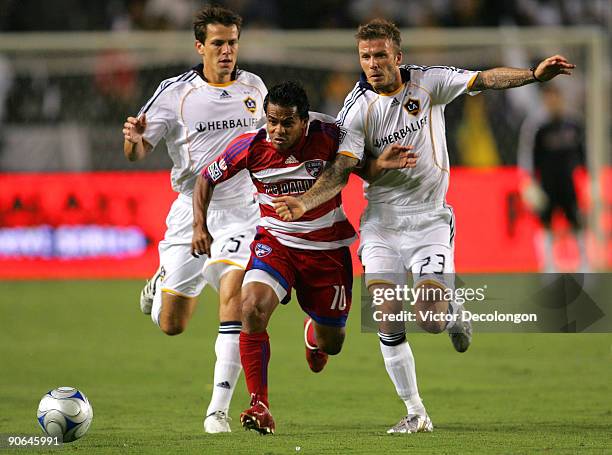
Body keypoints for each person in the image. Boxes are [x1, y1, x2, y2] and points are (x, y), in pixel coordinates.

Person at [274, 18, 575, 434]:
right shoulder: (356, 109)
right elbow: (344, 168)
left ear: (398, 56)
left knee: (430, 317)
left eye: (380, 55)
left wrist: (532, 75)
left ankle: (452, 313)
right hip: (382, 222)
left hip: (430, 220)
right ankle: (416, 412)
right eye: (365, 57)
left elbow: (484, 79)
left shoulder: (429, 83)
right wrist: (310, 198)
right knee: (385, 312)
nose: (373, 64)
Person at [192, 81, 415, 435]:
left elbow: (356, 170)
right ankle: (259, 404)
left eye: (287, 123)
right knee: (249, 306)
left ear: (305, 121)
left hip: (326, 251)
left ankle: (314, 335)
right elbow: (206, 178)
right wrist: (199, 226)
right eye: (272, 122)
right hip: (275, 244)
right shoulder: (250, 146)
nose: (277, 131)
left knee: (333, 342)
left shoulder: (330, 134)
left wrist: (378, 165)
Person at [121, 5, 267, 433]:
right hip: (191, 210)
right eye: (218, 43)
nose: (227, 51)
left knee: (235, 299)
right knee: (172, 324)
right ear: (199, 46)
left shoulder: (255, 87)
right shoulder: (174, 92)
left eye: (233, 43)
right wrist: (132, 140)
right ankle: (161, 280)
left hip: (242, 210)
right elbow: (138, 151)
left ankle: (217, 410)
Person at [518, 83, 587, 272]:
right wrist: (528, 181)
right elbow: (527, 155)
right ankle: (549, 268)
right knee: (546, 224)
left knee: (576, 222)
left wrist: (591, 179)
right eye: (549, 97)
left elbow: (583, 153)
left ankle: (584, 266)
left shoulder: (572, 123)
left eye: (555, 96)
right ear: (544, 100)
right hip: (546, 183)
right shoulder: (537, 126)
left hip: (567, 181)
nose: (553, 101)